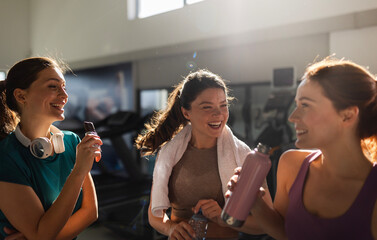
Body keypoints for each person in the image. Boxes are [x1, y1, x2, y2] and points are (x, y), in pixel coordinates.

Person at [228, 57, 377, 240]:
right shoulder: (291, 164)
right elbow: (286, 233)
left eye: (305, 105)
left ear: (347, 115)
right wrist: (256, 204)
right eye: (296, 105)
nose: (292, 117)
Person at [136, 69, 273, 240]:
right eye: (207, 107)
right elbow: (154, 214)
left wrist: (225, 218)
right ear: (186, 113)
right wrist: (170, 228)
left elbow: (266, 225)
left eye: (223, 105)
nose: (218, 114)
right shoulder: (170, 153)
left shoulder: (245, 156)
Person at [0, 57, 102, 240]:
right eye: (53, 86)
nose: (65, 95)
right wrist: (79, 170)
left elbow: (90, 212)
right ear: (21, 96)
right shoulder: (6, 157)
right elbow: (42, 236)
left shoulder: (72, 142)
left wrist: (43, 235)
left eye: (64, 86)